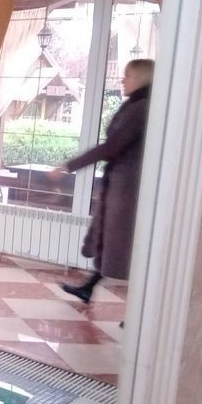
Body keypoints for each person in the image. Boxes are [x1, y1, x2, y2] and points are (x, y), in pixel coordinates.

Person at [50, 58, 154, 303]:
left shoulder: (141, 108)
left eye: (128, 76)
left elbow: (111, 147)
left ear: (141, 78)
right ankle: (90, 288)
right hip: (123, 184)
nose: (123, 81)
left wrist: (68, 166)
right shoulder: (138, 105)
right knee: (113, 240)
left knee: (124, 244)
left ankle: (138, 310)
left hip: (129, 187)